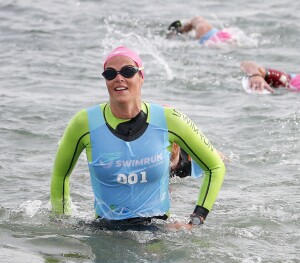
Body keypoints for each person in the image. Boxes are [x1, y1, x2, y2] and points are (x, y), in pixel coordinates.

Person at [50, 46, 225, 227]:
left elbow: (215, 167)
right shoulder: (84, 123)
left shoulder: (169, 119)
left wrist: (196, 220)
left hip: (158, 233)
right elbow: (60, 176)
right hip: (104, 232)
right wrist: (60, 226)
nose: (119, 78)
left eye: (128, 71)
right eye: (110, 74)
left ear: (141, 77)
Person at [167, 16, 232, 45]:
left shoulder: (200, 27)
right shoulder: (202, 27)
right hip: (223, 36)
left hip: (212, 38)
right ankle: (180, 30)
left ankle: (180, 31)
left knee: (197, 19)